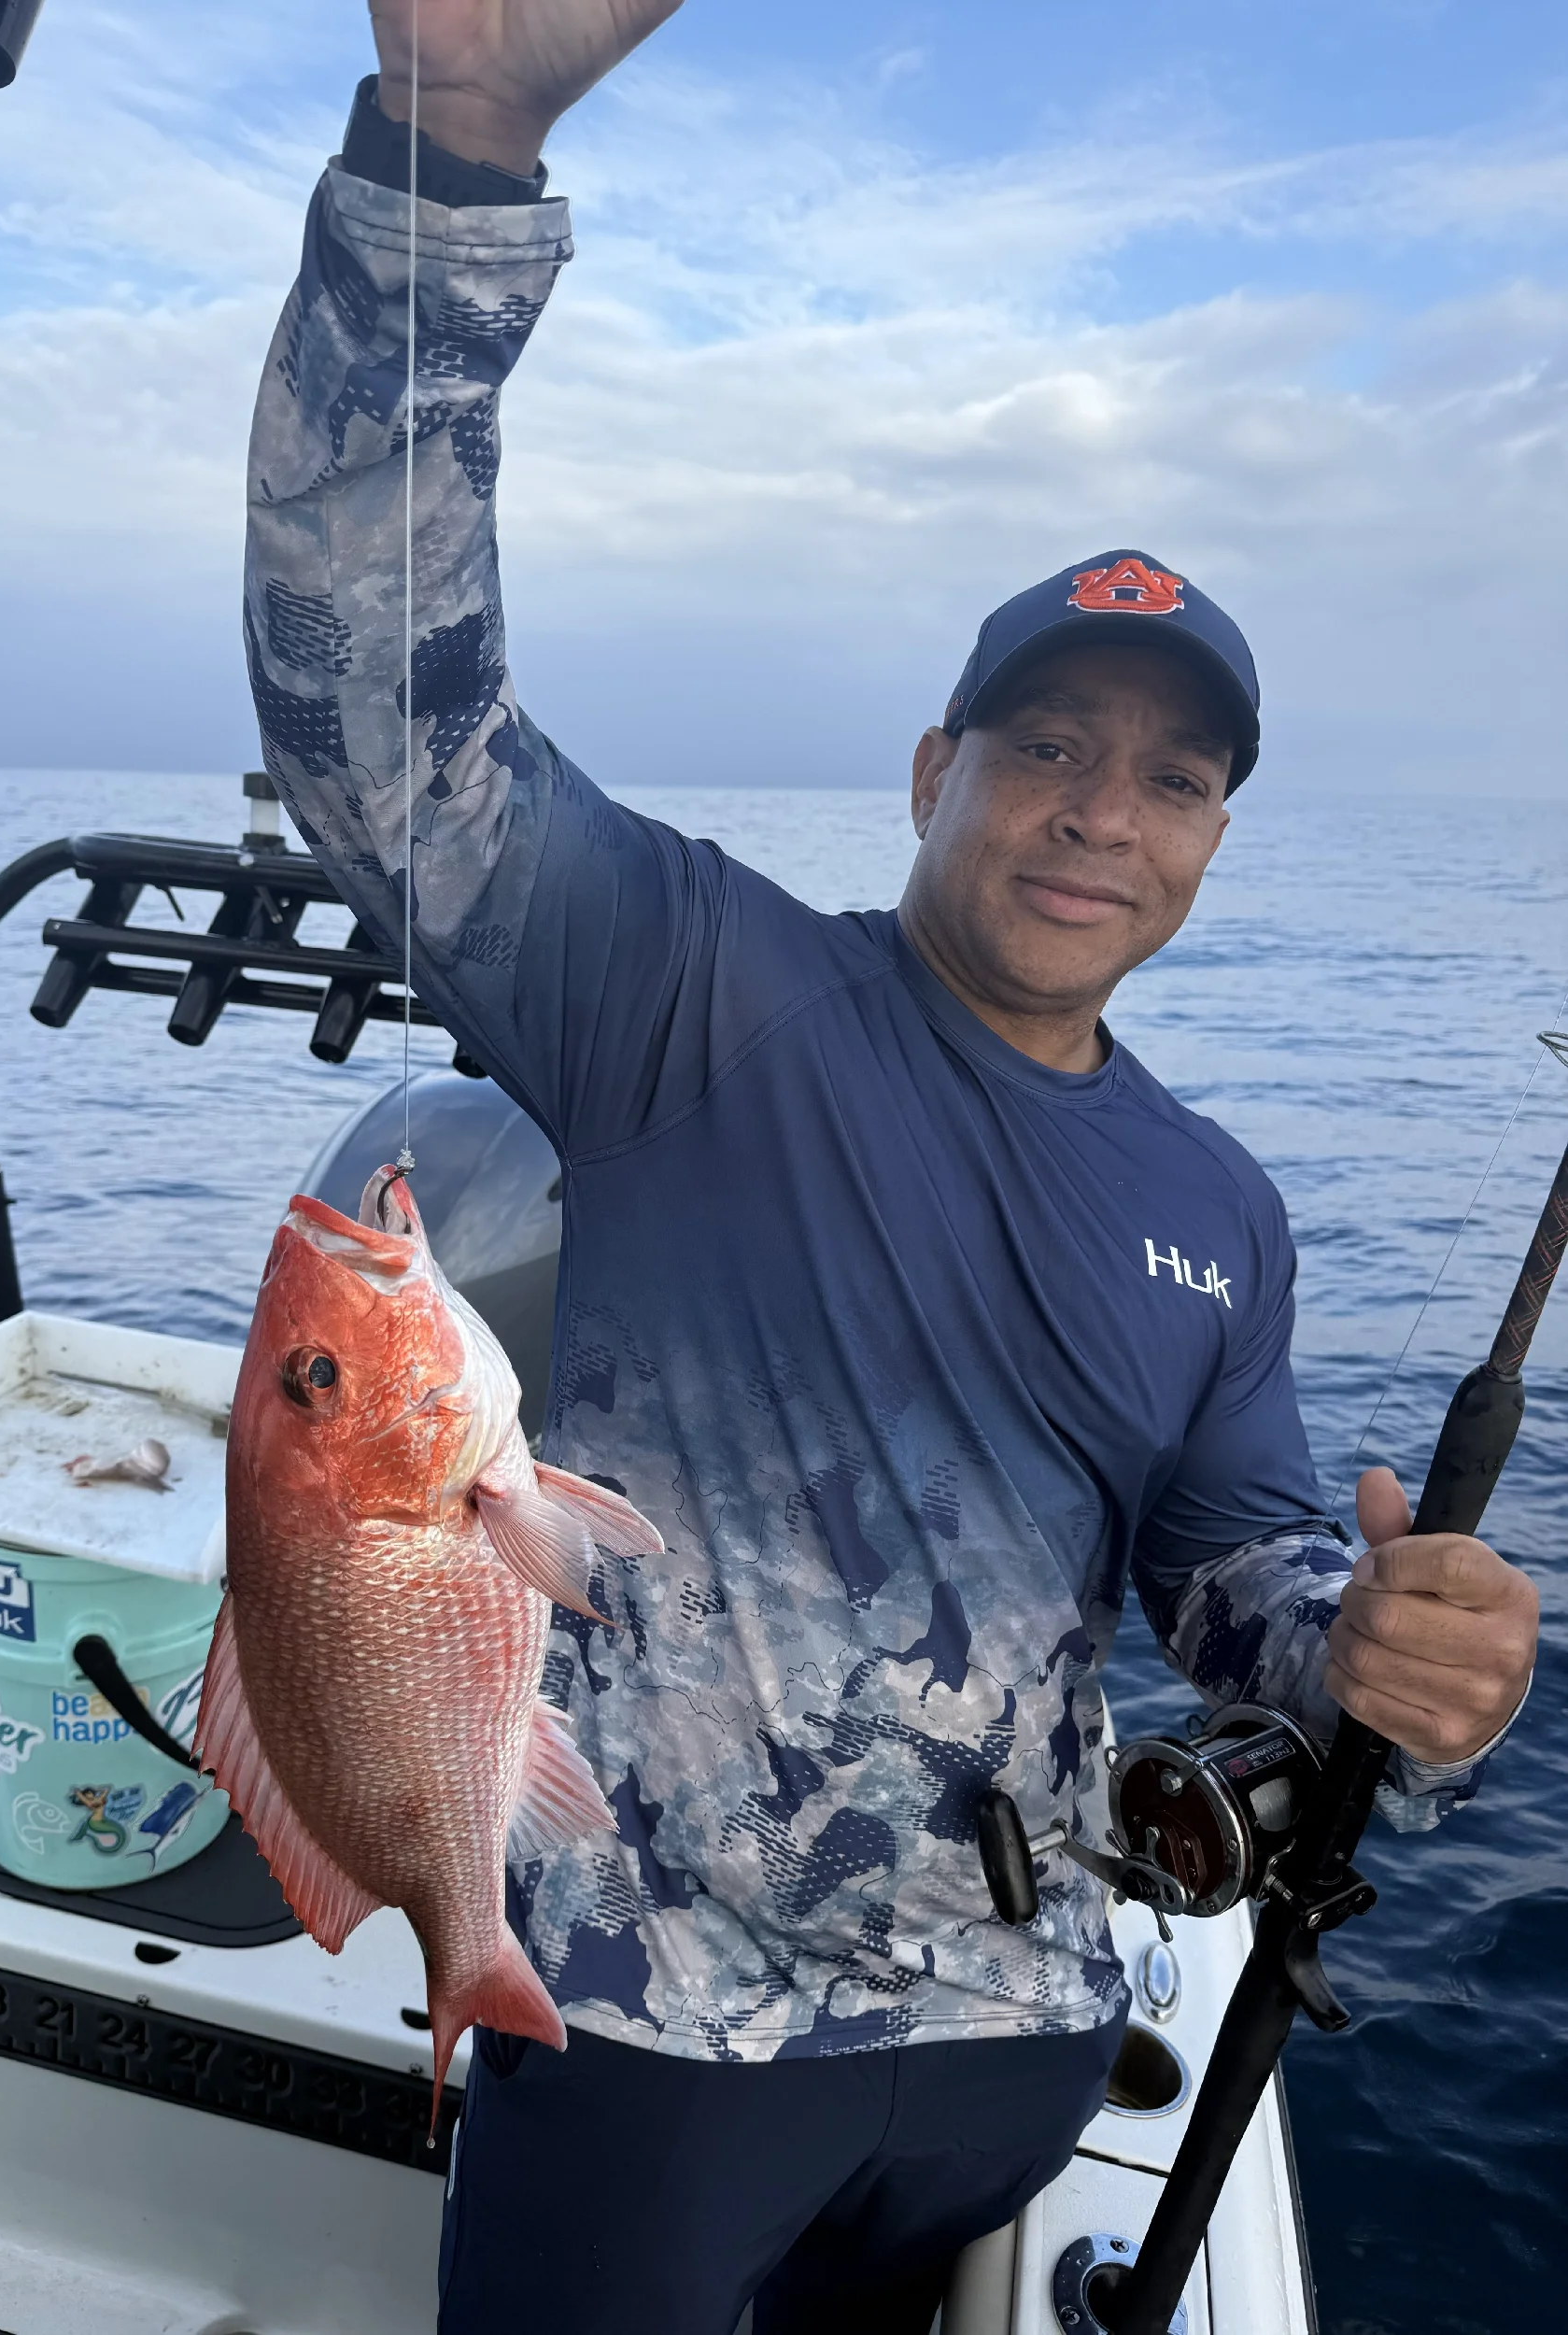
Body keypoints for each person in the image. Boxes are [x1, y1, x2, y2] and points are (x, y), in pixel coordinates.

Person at [242, 7, 1540, 2328]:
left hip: (1011, 2030)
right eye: (1046, 744)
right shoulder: (690, 983)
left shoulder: (1219, 1202)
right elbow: (381, 726)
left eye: (1166, 780)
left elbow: (1213, 1566)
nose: (1095, 812)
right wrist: (448, 166)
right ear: (937, 762)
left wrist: (1360, 1654)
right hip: (654, 2027)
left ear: (1215, 836)